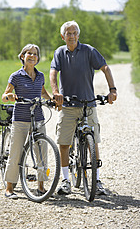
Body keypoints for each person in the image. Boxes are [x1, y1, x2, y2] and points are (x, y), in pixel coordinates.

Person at [50, 21, 117, 195]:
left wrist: (112, 90)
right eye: (68, 33)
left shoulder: (88, 51)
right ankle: (65, 181)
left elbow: (105, 67)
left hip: (88, 104)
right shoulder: (59, 53)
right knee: (64, 143)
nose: (71, 36)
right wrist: (56, 92)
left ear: (78, 35)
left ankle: (97, 180)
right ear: (63, 36)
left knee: (93, 142)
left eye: (74, 33)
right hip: (68, 105)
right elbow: (53, 72)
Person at [2, 44, 53, 199]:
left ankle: (41, 187)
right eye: (29, 53)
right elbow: (5, 95)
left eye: (35, 54)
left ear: (38, 58)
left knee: (41, 152)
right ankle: (9, 188)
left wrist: (52, 100)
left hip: (38, 117)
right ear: (22, 56)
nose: (32, 56)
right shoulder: (16, 76)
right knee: (16, 152)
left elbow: (43, 92)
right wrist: (10, 97)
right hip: (20, 118)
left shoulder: (41, 76)